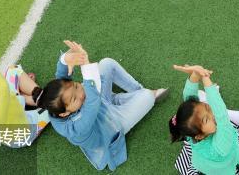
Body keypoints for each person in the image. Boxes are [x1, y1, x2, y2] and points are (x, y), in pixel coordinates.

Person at [36, 40, 168, 171]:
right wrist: (86, 65)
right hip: (113, 125)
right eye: (74, 98)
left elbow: (62, 76)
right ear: (64, 113)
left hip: (101, 103)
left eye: (76, 86)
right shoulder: (75, 129)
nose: (81, 92)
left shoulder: (62, 99)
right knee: (148, 96)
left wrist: (65, 59)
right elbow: (92, 102)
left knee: (106, 63)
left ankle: (135, 91)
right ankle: (137, 97)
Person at [170, 64, 239, 175]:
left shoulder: (192, 135)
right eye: (206, 120)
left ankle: (209, 101)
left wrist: (196, 74)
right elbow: (222, 116)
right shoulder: (220, 147)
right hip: (230, 149)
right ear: (200, 136)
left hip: (212, 158)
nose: (211, 113)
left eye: (207, 108)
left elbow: (188, 98)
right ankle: (213, 102)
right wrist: (205, 78)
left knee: (196, 104)